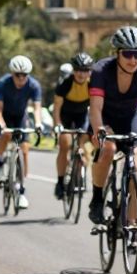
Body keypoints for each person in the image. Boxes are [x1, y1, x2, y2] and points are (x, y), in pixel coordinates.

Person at [87, 27, 137, 225]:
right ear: (117, 53)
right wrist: (99, 129)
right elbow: (96, 108)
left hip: (130, 118)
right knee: (107, 149)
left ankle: (131, 223)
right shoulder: (101, 70)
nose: (133, 60)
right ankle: (97, 198)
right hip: (104, 118)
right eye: (128, 54)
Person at [0, 55, 45, 209]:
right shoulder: (2, 83)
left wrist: (39, 123)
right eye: (17, 75)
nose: (21, 78)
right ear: (12, 73)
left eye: (24, 75)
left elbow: (36, 108)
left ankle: (21, 192)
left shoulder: (34, 85)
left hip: (21, 117)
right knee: (6, 133)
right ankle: (0, 162)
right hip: (5, 116)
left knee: (25, 150)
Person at [52, 53, 94, 199]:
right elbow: (56, 108)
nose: (81, 74)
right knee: (65, 144)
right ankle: (60, 181)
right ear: (73, 70)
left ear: (89, 71)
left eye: (85, 70)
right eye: (78, 70)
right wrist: (57, 124)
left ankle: (80, 173)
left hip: (82, 115)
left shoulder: (92, 83)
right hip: (66, 116)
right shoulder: (65, 83)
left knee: (82, 144)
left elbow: (96, 106)